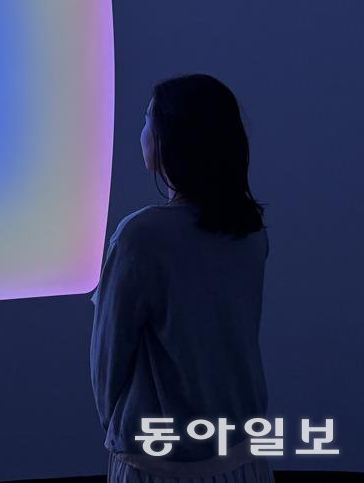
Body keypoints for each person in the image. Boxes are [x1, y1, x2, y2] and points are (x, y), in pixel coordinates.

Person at [90, 74, 272, 482]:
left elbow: (108, 359)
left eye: (147, 120)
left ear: (167, 139)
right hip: (244, 453)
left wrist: (120, 429)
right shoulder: (250, 231)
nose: (140, 132)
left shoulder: (141, 236)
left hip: (158, 464)